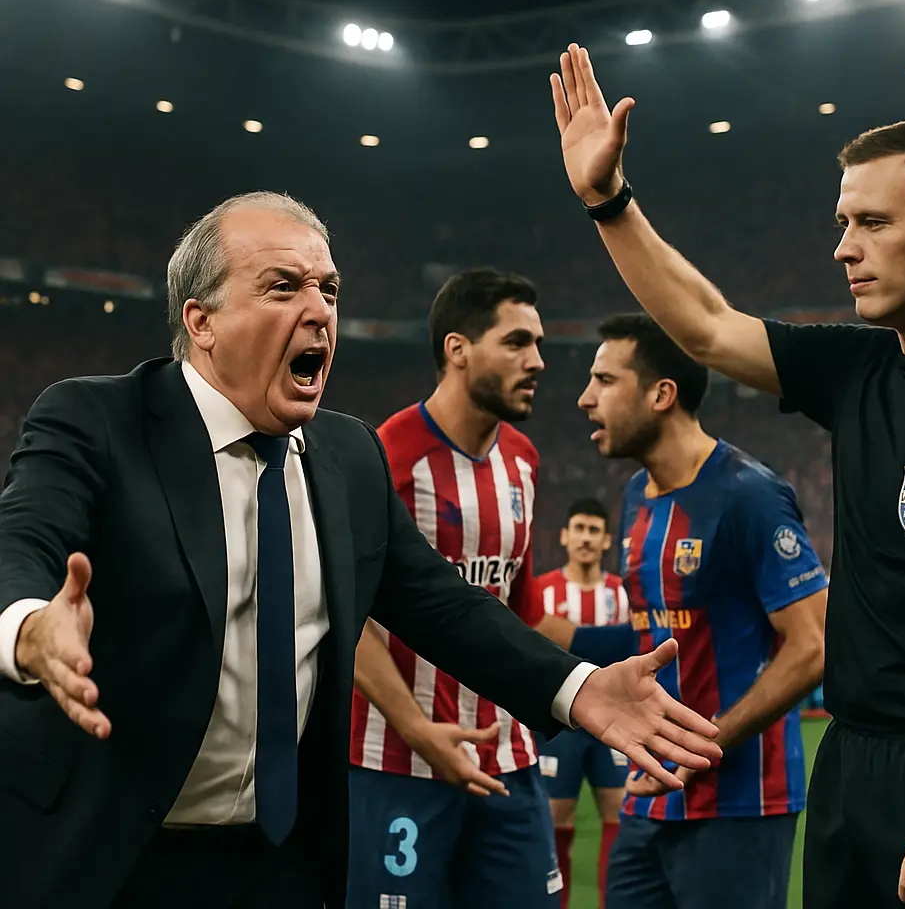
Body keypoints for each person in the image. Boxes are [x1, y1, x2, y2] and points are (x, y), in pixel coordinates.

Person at [0, 191, 723, 909]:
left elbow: (443, 606)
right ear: (202, 321)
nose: (319, 309)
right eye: (283, 287)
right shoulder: (97, 419)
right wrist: (31, 628)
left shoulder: (347, 455)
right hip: (115, 857)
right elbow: (22, 538)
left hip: (279, 865)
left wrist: (577, 686)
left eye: (329, 289)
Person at [550, 42, 905, 906]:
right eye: (843, 223)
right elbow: (704, 326)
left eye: (872, 223)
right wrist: (608, 200)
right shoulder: (858, 368)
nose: (844, 248)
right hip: (852, 763)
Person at [564, 312, 826, 909]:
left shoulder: (749, 495)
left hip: (740, 803)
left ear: (662, 394)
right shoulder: (636, 497)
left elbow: (813, 645)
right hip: (649, 797)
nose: (585, 398)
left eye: (605, 380)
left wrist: (705, 745)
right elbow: (657, 638)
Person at [349, 268, 587, 908]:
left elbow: (520, 611)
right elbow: (349, 619)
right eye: (516, 342)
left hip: (509, 761)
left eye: (538, 344)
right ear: (457, 349)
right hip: (398, 762)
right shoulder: (386, 456)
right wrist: (417, 728)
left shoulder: (523, 460)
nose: (537, 361)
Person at [536, 498, 630, 909]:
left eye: (594, 531)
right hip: (560, 722)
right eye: (579, 529)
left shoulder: (622, 594)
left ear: (607, 540)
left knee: (619, 810)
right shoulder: (542, 591)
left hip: (615, 722)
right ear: (564, 536)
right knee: (556, 814)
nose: (586, 538)